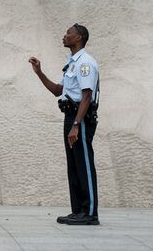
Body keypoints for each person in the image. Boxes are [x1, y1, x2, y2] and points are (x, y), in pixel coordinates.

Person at [29, 23, 100, 226]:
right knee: (74, 165)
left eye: (69, 33)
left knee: (84, 164)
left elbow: (86, 95)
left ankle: (90, 213)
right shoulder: (72, 63)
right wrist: (39, 72)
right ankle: (78, 211)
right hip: (70, 116)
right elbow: (58, 90)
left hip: (81, 118)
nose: (65, 35)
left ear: (79, 38)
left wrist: (77, 124)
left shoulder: (85, 62)